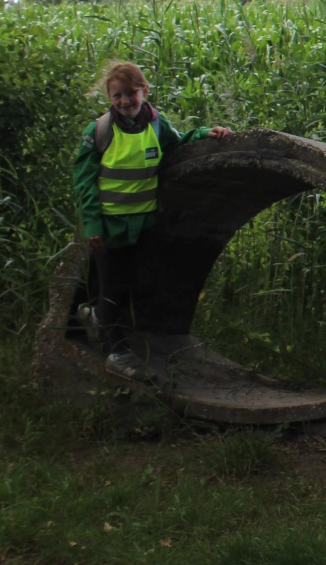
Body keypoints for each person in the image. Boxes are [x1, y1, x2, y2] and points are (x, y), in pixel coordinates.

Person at [72, 61, 233, 379]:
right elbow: (84, 181)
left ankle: (95, 316)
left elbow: (176, 144)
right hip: (109, 225)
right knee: (112, 289)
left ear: (144, 91)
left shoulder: (157, 124)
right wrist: (91, 224)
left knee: (140, 284)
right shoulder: (100, 131)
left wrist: (205, 134)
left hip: (142, 224)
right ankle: (116, 354)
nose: (124, 101)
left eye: (131, 94)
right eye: (117, 95)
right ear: (109, 97)